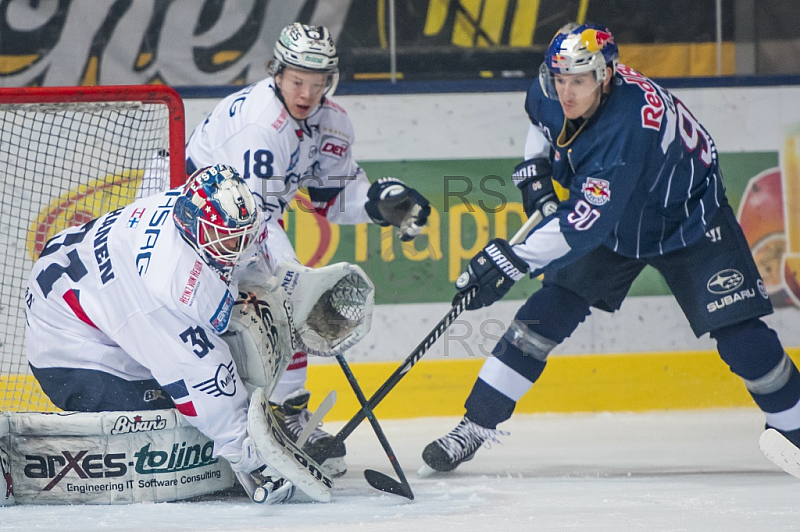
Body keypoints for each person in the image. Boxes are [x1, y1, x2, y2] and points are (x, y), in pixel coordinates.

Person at [421, 22, 800, 474]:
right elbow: (542, 122)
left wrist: (512, 258)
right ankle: (475, 426)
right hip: (618, 218)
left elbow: (582, 225)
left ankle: (794, 434)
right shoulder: (551, 87)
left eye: (578, 81)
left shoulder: (626, 127)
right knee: (543, 317)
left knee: (744, 342)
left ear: (606, 76)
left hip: (687, 219)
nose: (566, 92)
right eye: (560, 79)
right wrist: (534, 169)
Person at [183, 22, 430, 476]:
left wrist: (380, 203)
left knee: (282, 306)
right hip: (190, 223)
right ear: (276, 72)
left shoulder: (331, 121)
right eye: (298, 81)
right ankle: (264, 419)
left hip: (241, 222)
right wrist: (296, 277)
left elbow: (332, 196)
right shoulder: (260, 124)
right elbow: (251, 220)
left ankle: (284, 415)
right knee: (247, 312)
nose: (307, 93)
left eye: (318, 84)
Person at [25, 164, 295, 503]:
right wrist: (252, 455)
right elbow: (199, 378)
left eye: (240, 235)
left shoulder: (194, 213)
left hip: (89, 296)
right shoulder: (166, 283)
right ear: (193, 227)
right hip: (70, 350)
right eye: (227, 238)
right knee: (171, 435)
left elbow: (250, 243)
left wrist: (293, 286)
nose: (236, 246)